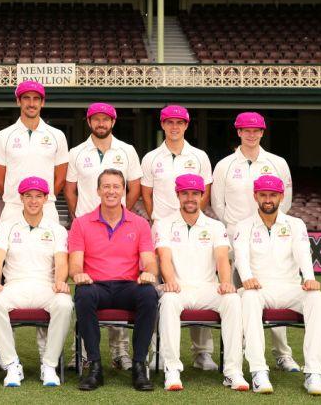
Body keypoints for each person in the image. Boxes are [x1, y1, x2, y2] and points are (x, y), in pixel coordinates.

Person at [211, 112, 298, 373]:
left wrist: (265, 225)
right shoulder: (225, 165)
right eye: (246, 130)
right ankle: (237, 356)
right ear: (238, 132)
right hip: (236, 240)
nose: (251, 134)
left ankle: (282, 354)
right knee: (238, 300)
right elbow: (218, 204)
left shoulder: (277, 163)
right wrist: (240, 230)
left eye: (256, 130)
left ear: (262, 132)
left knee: (275, 293)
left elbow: (287, 200)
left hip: (268, 238)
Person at [64, 102, 143, 371]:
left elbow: (134, 188)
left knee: (121, 280)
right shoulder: (76, 152)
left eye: (105, 119)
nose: (101, 123)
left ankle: (120, 351)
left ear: (113, 122)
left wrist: (122, 216)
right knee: (87, 288)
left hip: (119, 226)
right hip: (87, 229)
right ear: (89, 122)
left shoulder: (127, 151)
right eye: (96, 119)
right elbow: (70, 189)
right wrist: (79, 219)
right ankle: (84, 351)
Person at [234, 175, 321, 396]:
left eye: (273, 195)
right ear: (255, 196)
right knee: (247, 297)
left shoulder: (295, 224)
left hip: (290, 287)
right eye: (264, 195)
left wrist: (309, 278)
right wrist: (246, 277)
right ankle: (258, 371)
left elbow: (303, 253)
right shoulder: (244, 225)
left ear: (281, 197)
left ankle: (314, 373)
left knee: (317, 299)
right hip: (259, 289)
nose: (268, 199)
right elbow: (240, 255)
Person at [155, 174, 248, 392]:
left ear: (201, 196)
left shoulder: (215, 226)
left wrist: (225, 283)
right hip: (178, 288)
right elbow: (164, 258)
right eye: (185, 193)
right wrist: (170, 281)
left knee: (233, 300)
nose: (190, 198)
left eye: (195, 193)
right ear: (177, 195)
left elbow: (223, 258)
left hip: (207, 288)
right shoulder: (163, 224)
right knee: (168, 301)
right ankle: (172, 369)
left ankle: (233, 371)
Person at [140, 104, 217, 371]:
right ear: (163, 125)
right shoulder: (151, 158)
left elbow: (204, 193)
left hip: (193, 230)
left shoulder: (199, 157)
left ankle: (202, 353)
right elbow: (146, 195)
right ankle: (156, 351)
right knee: (156, 293)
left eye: (179, 123)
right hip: (162, 231)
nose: (174, 127)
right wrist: (158, 221)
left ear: (186, 125)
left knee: (200, 283)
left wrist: (191, 219)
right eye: (169, 122)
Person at [68, 168, 158, 391]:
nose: (111, 191)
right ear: (98, 190)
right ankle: (95, 367)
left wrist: (148, 272)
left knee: (148, 293)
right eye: (106, 186)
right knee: (83, 293)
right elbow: (75, 263)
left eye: (116, 186)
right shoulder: (81, 223)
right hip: (95, 285)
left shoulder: (139, 224)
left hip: (127, 286)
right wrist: (78, 273)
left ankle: (138, 366)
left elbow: (150, 262)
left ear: (124, 191)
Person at [0, 176, 73, 387]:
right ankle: (11, 364)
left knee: (65, 303)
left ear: (45, 199)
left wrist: (60, 282)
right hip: (15, 286)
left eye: (38, 196)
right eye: (29, 196)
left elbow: (61, 262)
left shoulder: (57, 229)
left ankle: (49, 365)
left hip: (45, 286)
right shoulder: (7, 227)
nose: (33, 201)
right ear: (21, 198)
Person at [0, 80, 68, 224]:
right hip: (13, 208)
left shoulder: (57, 135)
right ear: (18, 101)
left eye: (36, 99)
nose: (31, 103)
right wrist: (19, 200)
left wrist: (41, 199)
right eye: (26, 98)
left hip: (47, 208)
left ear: (42, 102)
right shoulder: (3, 136)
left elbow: (60, 178)